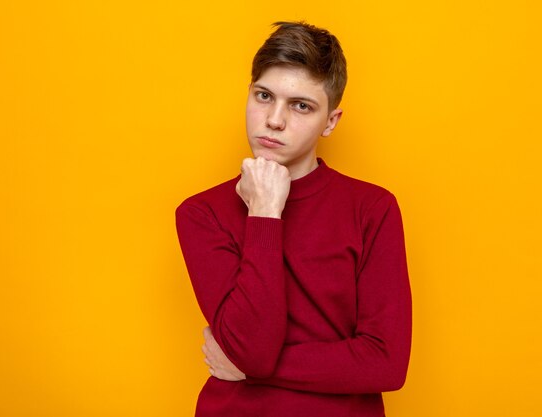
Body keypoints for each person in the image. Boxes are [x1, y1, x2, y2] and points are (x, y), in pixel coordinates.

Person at [176, 21, 412, 417]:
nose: (274, 120)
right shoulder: (202, 214)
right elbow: (254, 347)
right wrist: (265, 212)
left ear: (331, 122)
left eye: (301, 105)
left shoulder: (373, 208)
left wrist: (248, 369)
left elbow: (385, 362)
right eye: (264, 96)